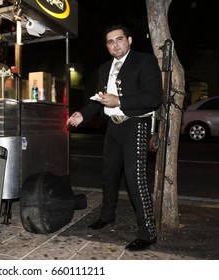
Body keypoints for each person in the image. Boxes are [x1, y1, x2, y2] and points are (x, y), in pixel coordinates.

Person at [66, 23, 162, 251]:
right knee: (108, 175)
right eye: (110, 41)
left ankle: (148, 232)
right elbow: (98, 101)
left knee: (134, 178)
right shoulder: (104, 68)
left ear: (129, 40)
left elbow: (153, 98)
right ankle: (107, 216)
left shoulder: (144, 61)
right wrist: (82, 114)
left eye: (119, 39)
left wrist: (120, 101)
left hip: (136, 123)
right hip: (113, 127)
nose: (115, 44)